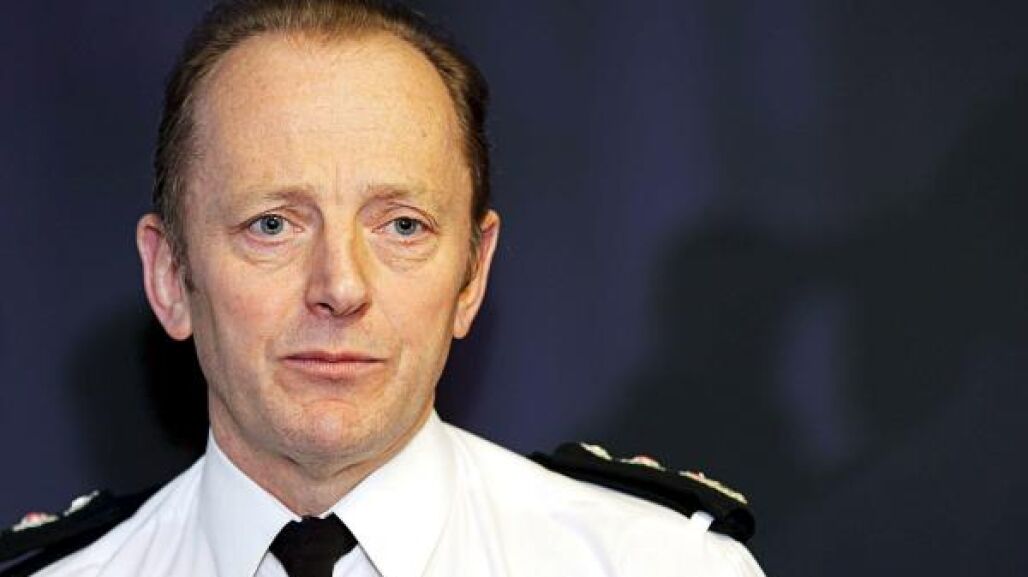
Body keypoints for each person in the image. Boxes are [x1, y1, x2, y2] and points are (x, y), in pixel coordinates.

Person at [1, 1, 765, 575]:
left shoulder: (659, 566)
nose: (340, 286)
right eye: (273, 224)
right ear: (170, 276)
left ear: (472, 275)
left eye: (402, 225)